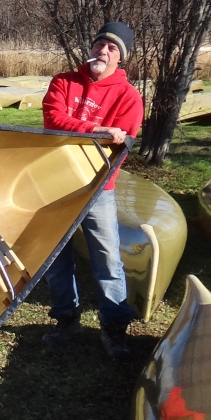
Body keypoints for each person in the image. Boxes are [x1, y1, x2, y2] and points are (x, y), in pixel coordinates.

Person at [40, 21, 144, 360]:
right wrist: (97, 129)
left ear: (120, 58)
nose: (104, 50)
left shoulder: (128, 96)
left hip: (99, 186)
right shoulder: (63, 81)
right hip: (57, 183)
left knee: (107, 258)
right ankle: (66, 320)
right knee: (55, 257)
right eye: (100, 43)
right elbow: (54, 120)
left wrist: (96, 133)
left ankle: (114, 329)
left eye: (112, 48)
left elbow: (122, 140)